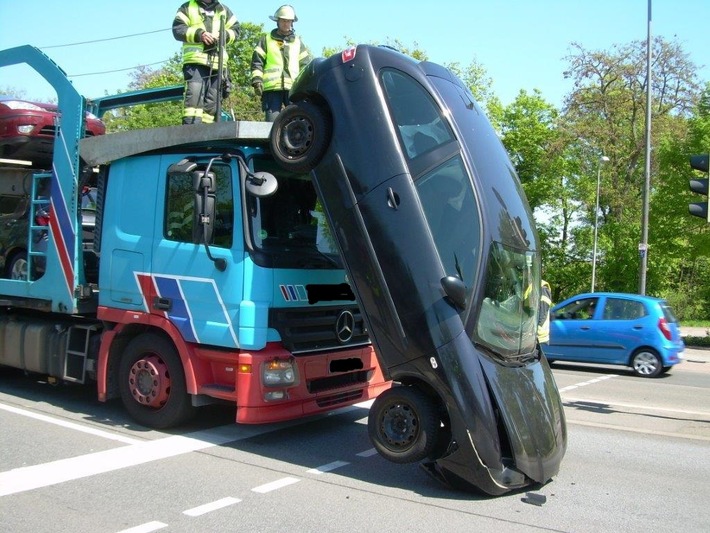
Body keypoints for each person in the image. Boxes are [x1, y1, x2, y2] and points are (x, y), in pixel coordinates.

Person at [173, 0, 240, 124]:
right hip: (195, 63)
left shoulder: (223, 9)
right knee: (193, 101)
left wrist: (224, 35)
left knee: (212, 104)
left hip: (218, 65)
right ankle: (190, 133)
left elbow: (236, 30)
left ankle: (207, 137)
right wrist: (200, 35)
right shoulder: (187, 7)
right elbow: (178, 29)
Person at [250, 5, 312, 121]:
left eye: (289, 21)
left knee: (296, 123)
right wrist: (257, 81)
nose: (286, 24)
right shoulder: (266, 40)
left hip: (293, 90)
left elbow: (305, 66)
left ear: (292, 23)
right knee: (272, 125)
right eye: (284, 21)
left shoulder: (298, 42)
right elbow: (257, 62)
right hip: (272, 90)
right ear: (277, 21)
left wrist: (305, 87)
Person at [538, 279, 552, 346]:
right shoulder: (532, 287)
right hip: (532, 336)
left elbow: (542, 313)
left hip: (538, 337)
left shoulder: (542, 289)